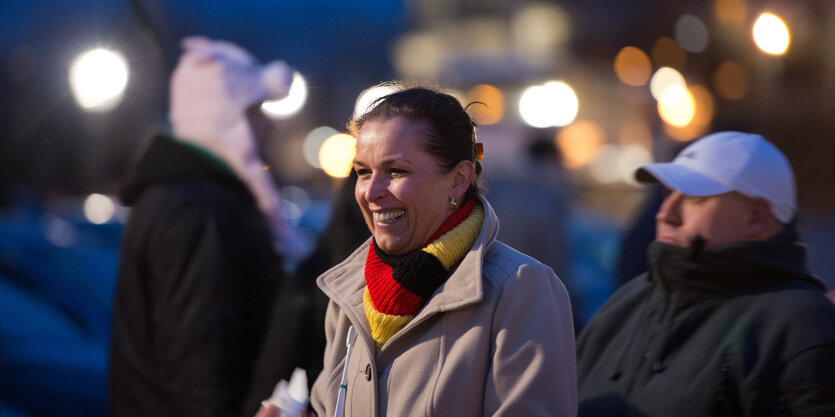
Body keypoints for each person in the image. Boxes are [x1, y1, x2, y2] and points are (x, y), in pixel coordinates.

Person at [257, 82, 577, 416]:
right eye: (363, 173)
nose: (372, 192)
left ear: (458, 179)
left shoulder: (521, 290)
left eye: (397, 171)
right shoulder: (348, 293)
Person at [109, 37, 305, 416]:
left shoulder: (194, 198)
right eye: (258, 110)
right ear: (227, 118)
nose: (270, 126)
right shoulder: (199, 211)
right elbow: (200, 368)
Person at [576, 131, 835, 416]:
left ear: (756, 217)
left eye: (694, 198)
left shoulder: (799, 324)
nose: (666, 213)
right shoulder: (625, 303)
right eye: (667, 193)